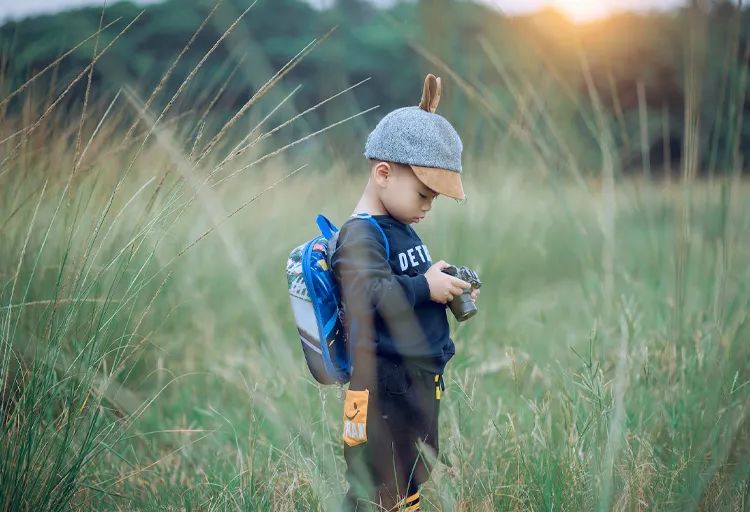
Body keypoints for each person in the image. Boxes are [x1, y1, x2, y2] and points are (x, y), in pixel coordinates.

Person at [331, 74, 480, 511]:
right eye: (423, 194)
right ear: (383, 173)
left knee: (409, 470)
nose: (428, 206)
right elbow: (371, 293)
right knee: (378, 479)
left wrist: (436, 278)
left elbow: (401, 281)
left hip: (410, 381)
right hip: (381, 385)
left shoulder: (396, 227)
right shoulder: (360, 234)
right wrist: (423, 286)